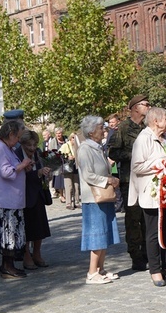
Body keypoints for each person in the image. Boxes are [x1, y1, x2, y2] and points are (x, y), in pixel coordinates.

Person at [130, 107, 166, 287]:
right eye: (165, 119)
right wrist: (161, 162)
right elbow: (137, 166)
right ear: (155, 121)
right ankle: (155, 269)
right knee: (153, 232)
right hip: (152, 192)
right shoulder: (143, 139)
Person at [108, 94, 151, 271]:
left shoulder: (148, 127)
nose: (148, 106)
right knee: (134, 219)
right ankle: (136, 255)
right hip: (129, 180)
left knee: (148, 218)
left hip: (148, 179)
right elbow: (113, 153)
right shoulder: (123, 128)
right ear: (135, 108)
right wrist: (134, 156)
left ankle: (149, 252)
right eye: (145, 104)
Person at [78, 116, 121, 285]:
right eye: (100, 127)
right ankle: (91, 272)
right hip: (93, 198)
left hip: (104, 196)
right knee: (97, 236)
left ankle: (100, 269)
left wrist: (111, 178)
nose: (104, 129)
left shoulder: (98, 148)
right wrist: (108, 180)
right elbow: (88, 175)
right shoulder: (85, 149)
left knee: (105, 233)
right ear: (90, 132)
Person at [0, 120, 32, 279]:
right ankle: (6, 267)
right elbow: (5, 172)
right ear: (11, 134)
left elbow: (13, 168)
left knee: (13, 235)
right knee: (8, 236)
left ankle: (9, 265)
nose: (19, 140)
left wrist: (23, 166)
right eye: (18, 136)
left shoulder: (8, 148)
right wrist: (22, 165)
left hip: (11, 200)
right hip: (4, 201)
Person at [14, 130, 53, 271]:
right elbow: (17, 175)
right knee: (26, 227)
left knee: (40, 225)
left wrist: (47, 173)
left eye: (34, 144)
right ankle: (26, 256)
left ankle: (37, 253)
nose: (32, 148)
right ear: (22, 143)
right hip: (24, 194)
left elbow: (41, 169)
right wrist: (37, 173)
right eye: (28, 145)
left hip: (38, 194)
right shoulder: (17, 154)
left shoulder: (37, 152)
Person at [59, 133, 81, 209]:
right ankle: (68, 204)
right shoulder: (65, 146)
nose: (75, 140)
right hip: (67, 168)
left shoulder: (78, 146)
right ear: (70, 138)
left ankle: (77, 202)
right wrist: (67, 157)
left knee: (76, 186)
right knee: (69, 186)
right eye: (74, 138)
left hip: (75, 167)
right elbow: (59, 155)